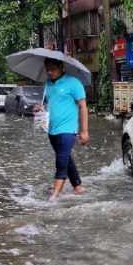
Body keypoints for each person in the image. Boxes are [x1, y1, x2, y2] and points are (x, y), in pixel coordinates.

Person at [34, 58, 89, 199]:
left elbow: (83, 107)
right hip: (51, 130)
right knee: (66, 158)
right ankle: (78, 186)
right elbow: (49, 104)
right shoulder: (47, 85)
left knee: (61, 161)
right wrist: (40, 108)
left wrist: (84, 131)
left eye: (52, 69)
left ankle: (54, 197)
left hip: (68, 130)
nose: (49, 72)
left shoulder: (73, 83)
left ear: (61, 66)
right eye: (47, 69)